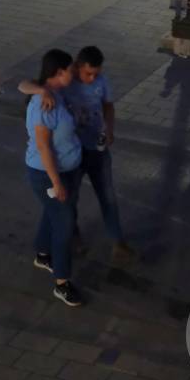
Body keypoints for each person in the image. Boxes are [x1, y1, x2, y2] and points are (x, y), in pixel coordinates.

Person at [19, 47, 135, 262]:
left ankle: (118, 242)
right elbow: (24, 85)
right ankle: (71, 240)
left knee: (108, 197)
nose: (92, 78)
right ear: (75, 68)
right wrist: (41, 91)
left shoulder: (101, 82)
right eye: (88, 73)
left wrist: (109, 129)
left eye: (96, 74)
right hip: (74, 154)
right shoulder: (65, 82)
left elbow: (108, 106)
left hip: (97, 150)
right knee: (69, 200)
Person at [24, 49, 85, 307]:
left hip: (68, 169)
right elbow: (43, 147)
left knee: (54, 213)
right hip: (47, 174)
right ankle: (62, 283)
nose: (73, 73)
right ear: (58, 72)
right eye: (69, 69)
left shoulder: (55, 93)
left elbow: (23, 84)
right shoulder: (43, 105)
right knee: (64, 224)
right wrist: (56, 182)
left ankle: (42, 253)